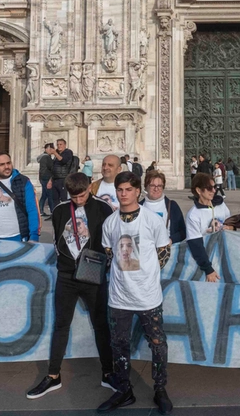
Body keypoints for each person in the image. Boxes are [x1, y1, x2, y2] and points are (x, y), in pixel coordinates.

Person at [26, 172, 115, 400]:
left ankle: (109, 372)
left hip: (93, 273)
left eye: (82, 195)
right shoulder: (59, 210)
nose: (78, 199)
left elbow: (110, 241)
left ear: (89, 189)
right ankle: (53, 375)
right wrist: (67, 262)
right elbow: (58, 241)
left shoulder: (103, 209)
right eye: (74, 196)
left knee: (101, 324)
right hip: (66, 275)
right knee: (61, 325)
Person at [97, 171, 173, 414]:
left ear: (138, 192)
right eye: (120, 189)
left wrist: (149, 273)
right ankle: (123, 390)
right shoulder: (110, 222)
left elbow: (164, 249)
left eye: (128, 189)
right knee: (119, 345)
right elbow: (109, 250)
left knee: (158, 344)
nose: (123, 194)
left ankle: (160, 389)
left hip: (148, 296)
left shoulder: (152, 219)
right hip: (119, 297)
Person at [185, 172, 235, 280]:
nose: (213, 191)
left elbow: (231, 224)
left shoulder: (221, 205)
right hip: (206, 262)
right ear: (198, 190)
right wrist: (208, 269)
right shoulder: (193, 215)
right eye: (209, 188)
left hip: (225, 257)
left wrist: (231, 228)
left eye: (214, 187)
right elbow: (195, 245)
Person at [140, 169, 186, 242]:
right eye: (152, 185)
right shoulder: (138, 207)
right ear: (146, 187)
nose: (156, 189)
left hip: (165, 250)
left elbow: (183, 232)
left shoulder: (172, 206)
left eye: (159, 186)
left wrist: (171, 240)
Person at [48, 138, 77, 210]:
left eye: (61, 144)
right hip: (55, 179)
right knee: (55, 199)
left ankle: (66, 214)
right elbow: (54, 168)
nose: (59, 146)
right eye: (57, 145)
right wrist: (50, 180)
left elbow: (63, 161)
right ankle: (56, 214)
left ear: (65, 145)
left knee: (64, 198)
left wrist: (55, 153)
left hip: (63, 179)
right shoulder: (57, 153)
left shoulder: (68, 152)